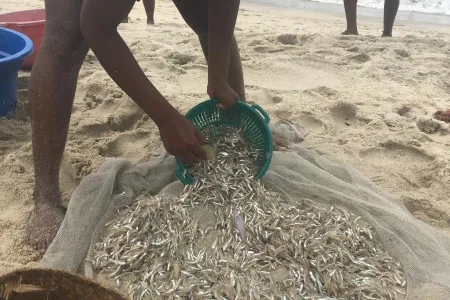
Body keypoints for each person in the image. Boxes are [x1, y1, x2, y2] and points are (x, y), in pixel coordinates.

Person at [27, 0, 245, 250]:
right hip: (92, 19)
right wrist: (166, 119)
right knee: (66, 33)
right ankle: (45, 197)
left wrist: (219, 78)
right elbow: (97, 25)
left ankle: (240, 129)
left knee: (203, 15)